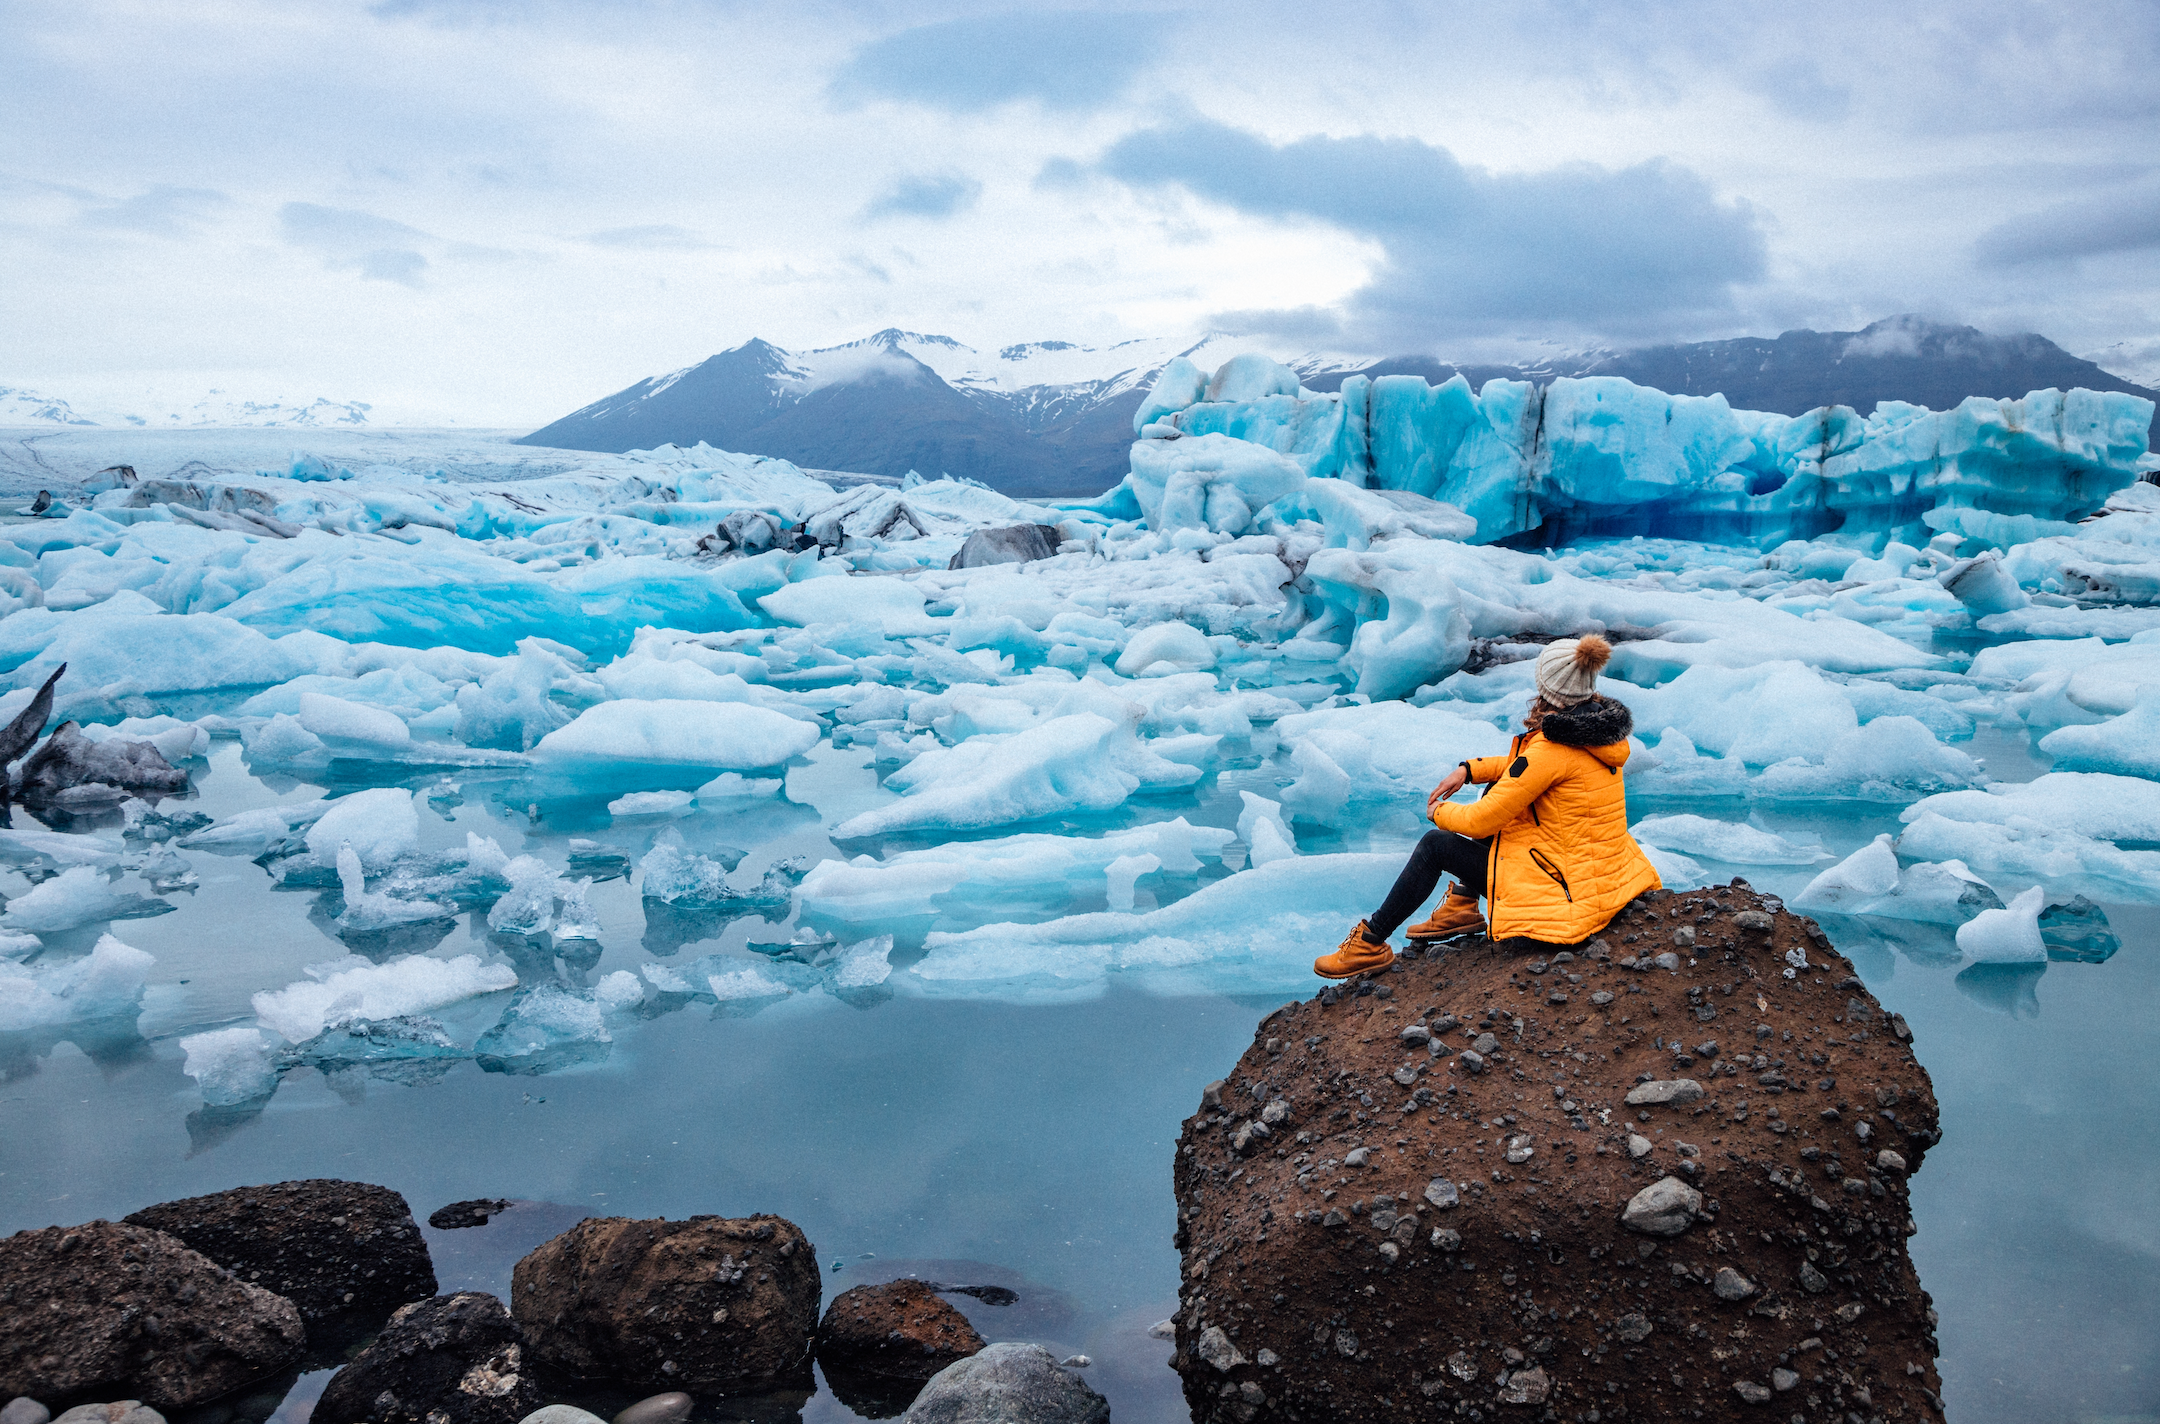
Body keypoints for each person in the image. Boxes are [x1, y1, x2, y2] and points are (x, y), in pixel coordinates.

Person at [1313, 634, 1661, 977]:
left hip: (1563, 895)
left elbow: (1483, 820)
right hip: (1593, 877)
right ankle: (1463, 905)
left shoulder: (1552, 749)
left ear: (1547, 687)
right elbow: (1528, 770)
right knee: (1499, 787)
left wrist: (1438, 812)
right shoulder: (1595, 732)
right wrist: (1470, 769)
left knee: (1436, 846)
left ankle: (1370, 943)